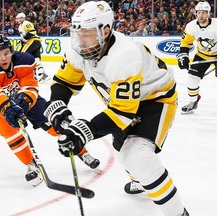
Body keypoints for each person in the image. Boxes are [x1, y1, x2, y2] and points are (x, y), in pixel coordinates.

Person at [44, 1, 189, 216]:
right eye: (78, 33)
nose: (80, 41)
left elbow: (123, 112)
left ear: (105, 30)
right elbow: (64, 83)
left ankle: (178, 213)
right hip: (125, 102)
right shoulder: (80, 50)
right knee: (122, 151)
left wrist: (85, 131)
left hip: (156, 99)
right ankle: (141, 180)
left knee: (136, 154)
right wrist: (58, 105)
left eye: (87, 34)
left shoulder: (124, 55)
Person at [0, 35, 100, 186]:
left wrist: (24, 101)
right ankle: (30, 163)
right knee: (8, 130)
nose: (3, 58)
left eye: (6, 53)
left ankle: (82, 152)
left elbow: (30, 87)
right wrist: (7, 108)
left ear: (12, 50)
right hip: (1, 105)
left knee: (54, 122)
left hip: (26, 99)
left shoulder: (25, 60)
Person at [177, 1, 217, 114]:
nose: (201, 15)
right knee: (192, 78)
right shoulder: (191, 26)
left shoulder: (217, 25)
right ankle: (193, 102)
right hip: (202, 55)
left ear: (209, 14)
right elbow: (185, 42)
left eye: (204, 13)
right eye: (199, 13)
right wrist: (184, 55)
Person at [16, 12, 50, 83]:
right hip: (35, 42)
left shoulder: (26, 23)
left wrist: (24, 39)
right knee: (36, 59)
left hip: (33, 41)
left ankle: (21, 75)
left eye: (18, 18)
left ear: (22, 18)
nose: (17, 20)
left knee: (22, 55)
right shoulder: (20, 26)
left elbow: (32, 32)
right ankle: (43, 75)